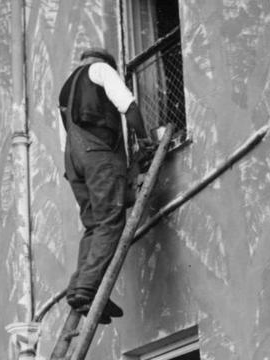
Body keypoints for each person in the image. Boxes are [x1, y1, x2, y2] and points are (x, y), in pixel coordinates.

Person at [58, 48, 154, 324]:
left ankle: (82, 288)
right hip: (97, 155)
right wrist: (143, 139)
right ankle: (88, 288)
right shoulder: (101, 70)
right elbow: (128, 106)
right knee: (111, 222)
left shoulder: (66, 90)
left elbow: (63, 138)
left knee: (94, 225)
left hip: (74, 164)